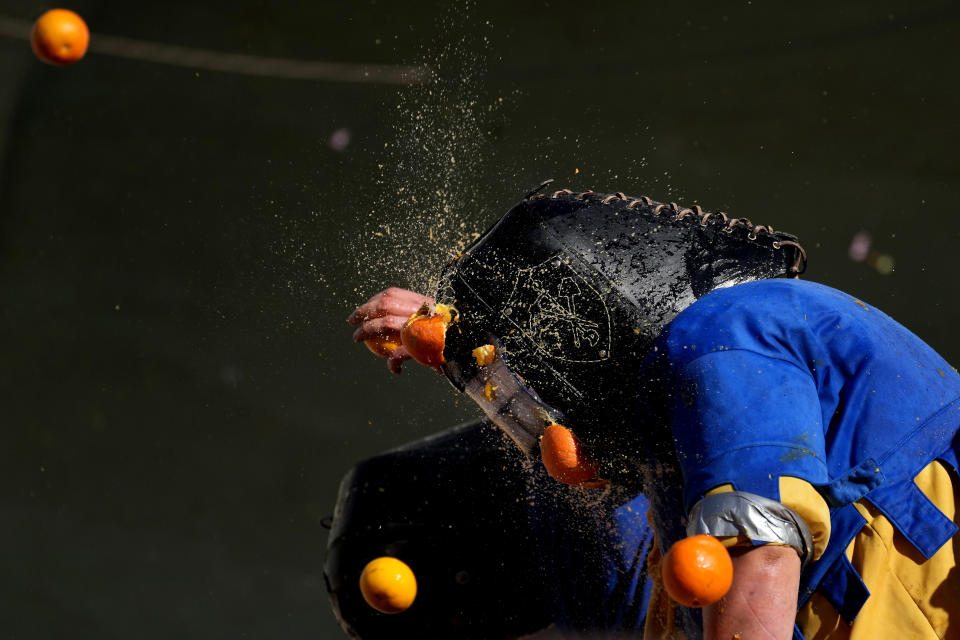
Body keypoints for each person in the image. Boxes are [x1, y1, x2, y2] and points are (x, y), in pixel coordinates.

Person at [348, 187, 960, 640]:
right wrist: (461, 347)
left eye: (526, 394)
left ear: (589, 343)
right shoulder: (670, 474)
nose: (549, 443)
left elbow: (760, 554)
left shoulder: (723, 336)